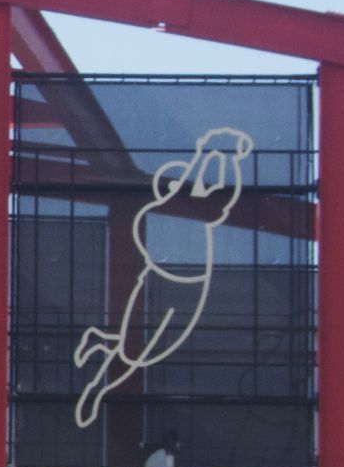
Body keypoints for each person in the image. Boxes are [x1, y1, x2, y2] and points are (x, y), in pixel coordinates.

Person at [71, 126, 250, 428]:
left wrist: (217, 153)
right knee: (137, 354)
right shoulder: (182, 206)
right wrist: (216, 152)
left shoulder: (170, 207)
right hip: (173, 283)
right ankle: (97, 388)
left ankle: (100, 344)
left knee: (140, 348)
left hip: (168, 282)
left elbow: (217, 188)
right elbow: (216, 189)